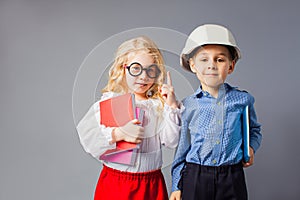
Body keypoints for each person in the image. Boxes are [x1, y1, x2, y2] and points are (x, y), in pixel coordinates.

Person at [76, 36, 181, 200]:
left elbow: (172, 141)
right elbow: (89, 139)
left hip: (151, 183)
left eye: (150, 70)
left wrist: (172, 107)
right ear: (123, 68)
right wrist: (119, 133)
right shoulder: (111, 102)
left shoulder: (158, 106)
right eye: (136, 68)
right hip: (116, 182)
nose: (143, 77)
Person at [170, 24, 262, 200]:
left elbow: (255, 130)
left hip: (232, 177)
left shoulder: (243, 100)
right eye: (204, 60)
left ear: (231, 66)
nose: (211, 65)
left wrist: (251, 147)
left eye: (219, 60)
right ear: (193, 65)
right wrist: (176, 185)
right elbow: (181, 150)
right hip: (195, 176)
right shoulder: (188, 105)